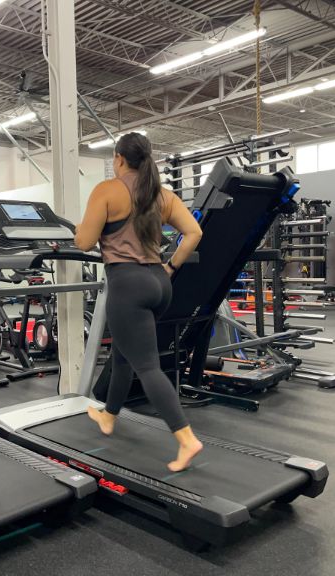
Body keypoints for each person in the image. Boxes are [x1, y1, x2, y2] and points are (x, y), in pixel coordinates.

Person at [74, 132, 204, 472]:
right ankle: (108, 416)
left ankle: (187, 439)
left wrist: (78, 230)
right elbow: (194, 233)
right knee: (123, 356)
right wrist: (172, 265)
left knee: (146, 366)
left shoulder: (107, 190)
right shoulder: (163, 196)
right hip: (160, 284)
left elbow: (85, 241)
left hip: (127, 285)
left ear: (119, 159)